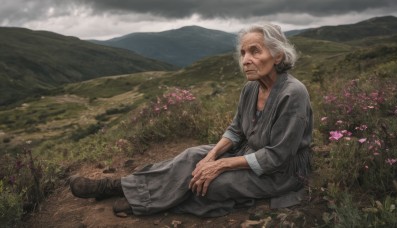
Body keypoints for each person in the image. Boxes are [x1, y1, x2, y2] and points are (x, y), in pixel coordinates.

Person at [70, 22, 313, 218]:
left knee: (215, 184)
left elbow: (277, 157)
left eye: (254, 51)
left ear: (278, 55)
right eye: (243, 53)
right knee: (191, 158)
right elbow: (236, 130)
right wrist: (210, 157)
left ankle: (152, 202)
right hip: (248, 152)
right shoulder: (250, 89)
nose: (245, 60)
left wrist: (220, 165)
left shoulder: (293, 93)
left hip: (281, 172)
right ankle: (114, 186)